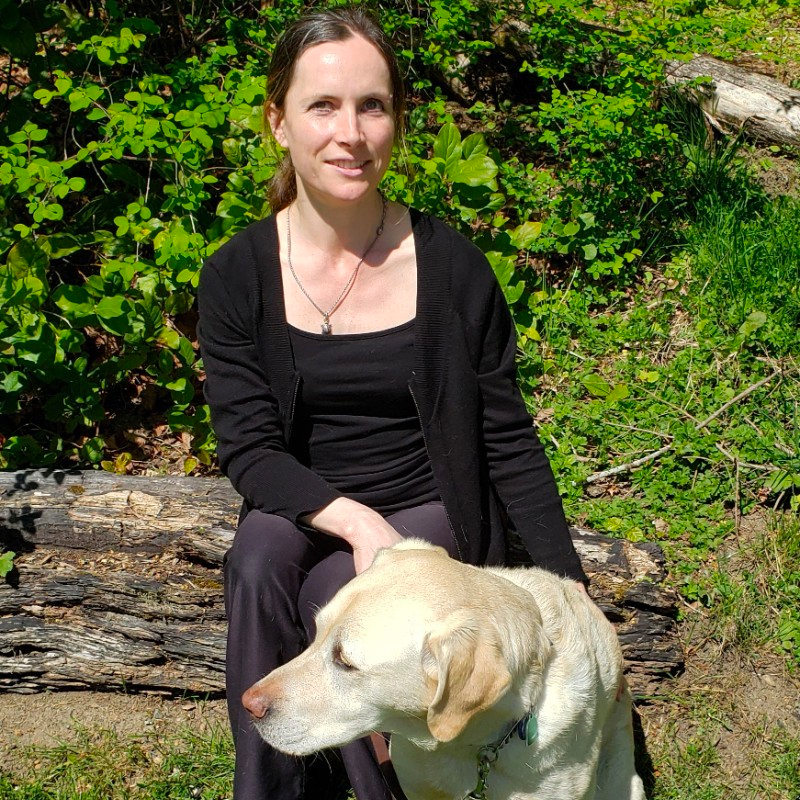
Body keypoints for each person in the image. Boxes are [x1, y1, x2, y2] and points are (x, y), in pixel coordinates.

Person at [197, 6, 588, 799]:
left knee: (322, 595)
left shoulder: (453, 267)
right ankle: (268, 790)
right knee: (259, 559)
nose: (351, 132)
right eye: (323, 106)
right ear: (278, 121)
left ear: (397, 122)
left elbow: (506, 436)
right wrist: (353, 520)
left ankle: (393, 791)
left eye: (373, 106)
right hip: (307, 500)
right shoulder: (236, 273)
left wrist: (569, 592)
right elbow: (248, 448)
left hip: (430, 502)